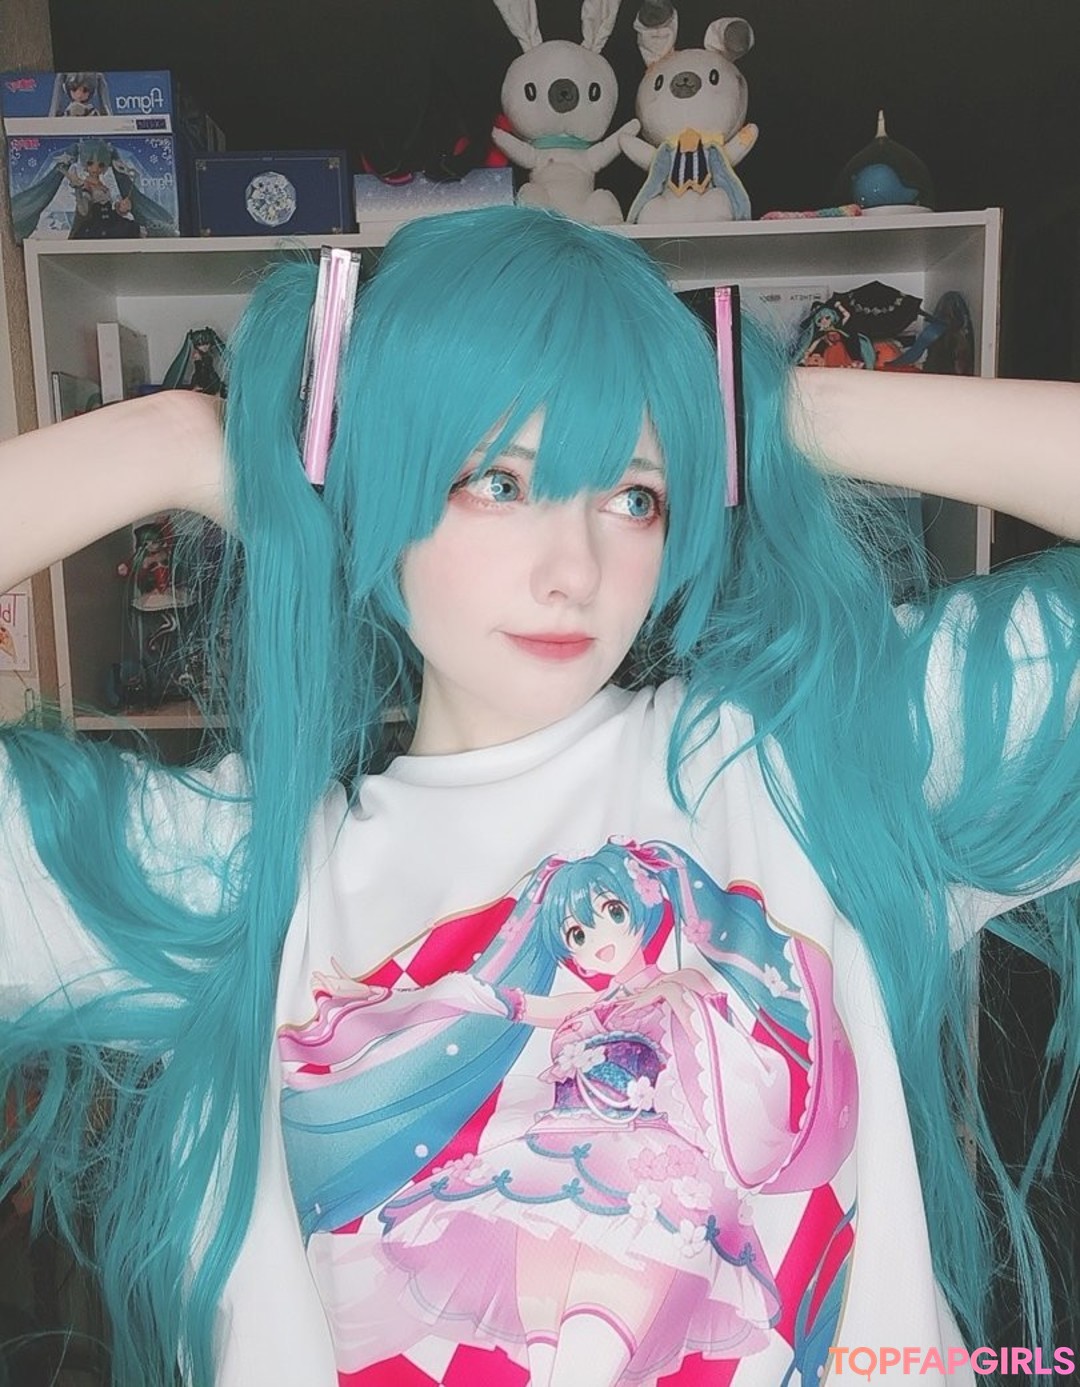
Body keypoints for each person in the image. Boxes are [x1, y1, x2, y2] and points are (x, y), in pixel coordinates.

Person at [0, 205, 1077, 1387]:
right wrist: (170, 442)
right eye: (500, 481)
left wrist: (767, 411)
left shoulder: (790, 766)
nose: (576, 571)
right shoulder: (242, 877)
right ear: (371, 478)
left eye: (634, 496)